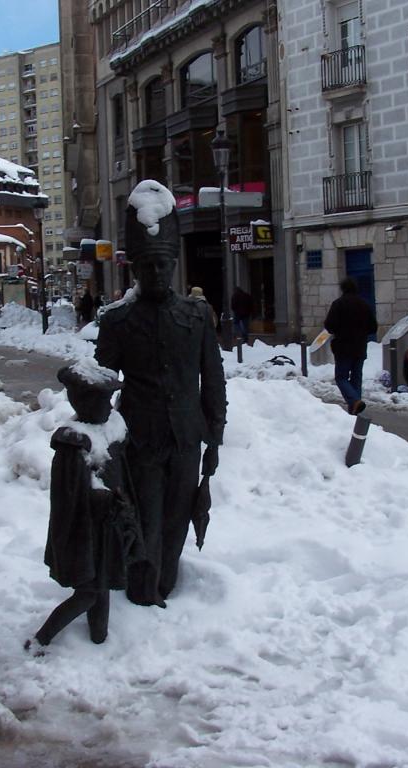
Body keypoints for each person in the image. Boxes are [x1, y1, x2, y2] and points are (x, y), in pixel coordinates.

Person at [95, 180, 227, 607]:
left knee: (177, 521)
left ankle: (165, 586)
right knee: (146, 519)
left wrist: (215, 438)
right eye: (147, 266)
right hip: (141, 439)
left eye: (163, 265)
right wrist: (100, 438)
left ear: (173, 265)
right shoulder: (117, 321)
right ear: (134, 268)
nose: (156, 273)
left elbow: (214, 378)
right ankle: (143, 593)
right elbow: (102, 383)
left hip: (187, 438)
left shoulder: (196, 314)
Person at [30, 359, 144, 649]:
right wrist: (105, 498)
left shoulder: (110, 430)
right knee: (89, 593)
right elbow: (69, 498)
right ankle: (41, 639)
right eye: (102, 401)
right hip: (85, 533)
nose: (109, 407)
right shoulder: (75, 443)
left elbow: (120, 471)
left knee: (102, 583)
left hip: (108, 529)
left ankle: (99, 638)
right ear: (83, 402)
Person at [323, 277, 378, 415]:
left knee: (341, 377)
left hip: (343, 347)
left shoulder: (338, 304)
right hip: (360, 347)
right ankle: (355, 408)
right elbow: (373, 327)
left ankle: (354, 401)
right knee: (356, 377)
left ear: (342, 289)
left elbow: (329, 325)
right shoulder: (364, 305)